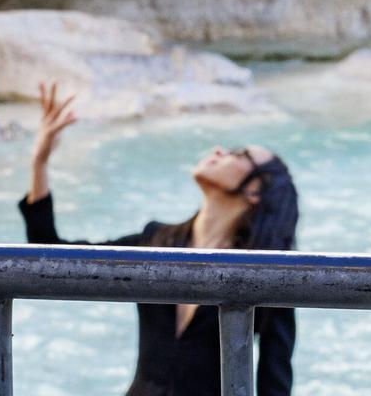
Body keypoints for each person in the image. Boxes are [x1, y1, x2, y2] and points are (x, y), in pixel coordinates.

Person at [18, 83, 298, 396]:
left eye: (239, 154)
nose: (219, 151)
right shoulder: (156, 241)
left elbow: (275, 382)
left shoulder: (267, 275)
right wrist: (39, 162)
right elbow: (50, 262)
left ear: (255, 191)